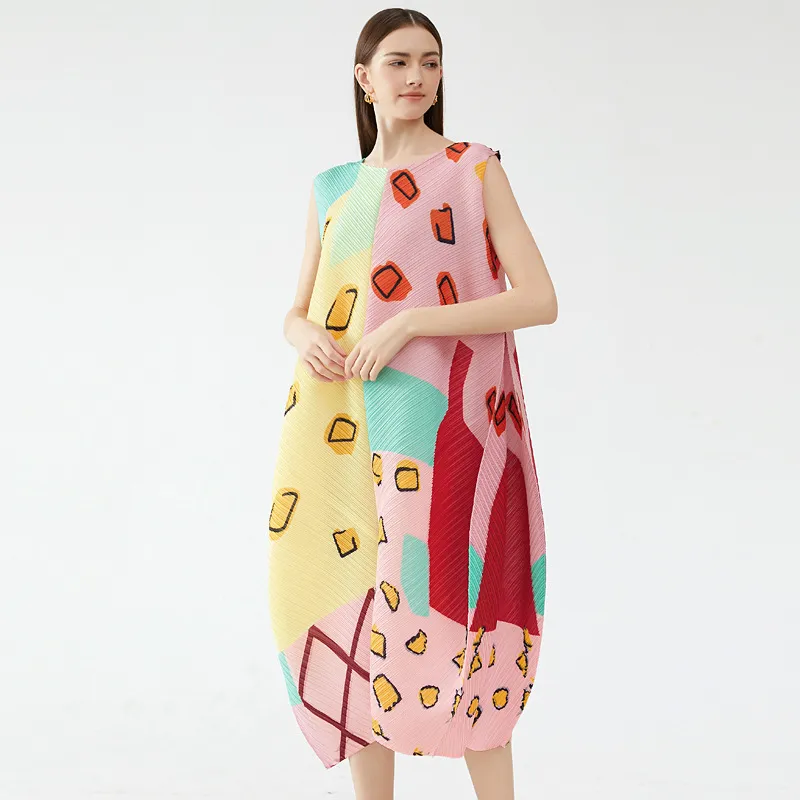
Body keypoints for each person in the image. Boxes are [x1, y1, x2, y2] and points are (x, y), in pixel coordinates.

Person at [267, 8, 557, 799]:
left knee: (453, 609)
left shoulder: (472, 169)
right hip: (338, 426)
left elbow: (539, 298)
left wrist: (412, 322)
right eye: (398, 62)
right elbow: (297, 307)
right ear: (364, 79)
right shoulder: (333, 188)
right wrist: (303, 334)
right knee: (357, 608)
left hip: (442, 428)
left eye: (430, 62)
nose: (417, 77)